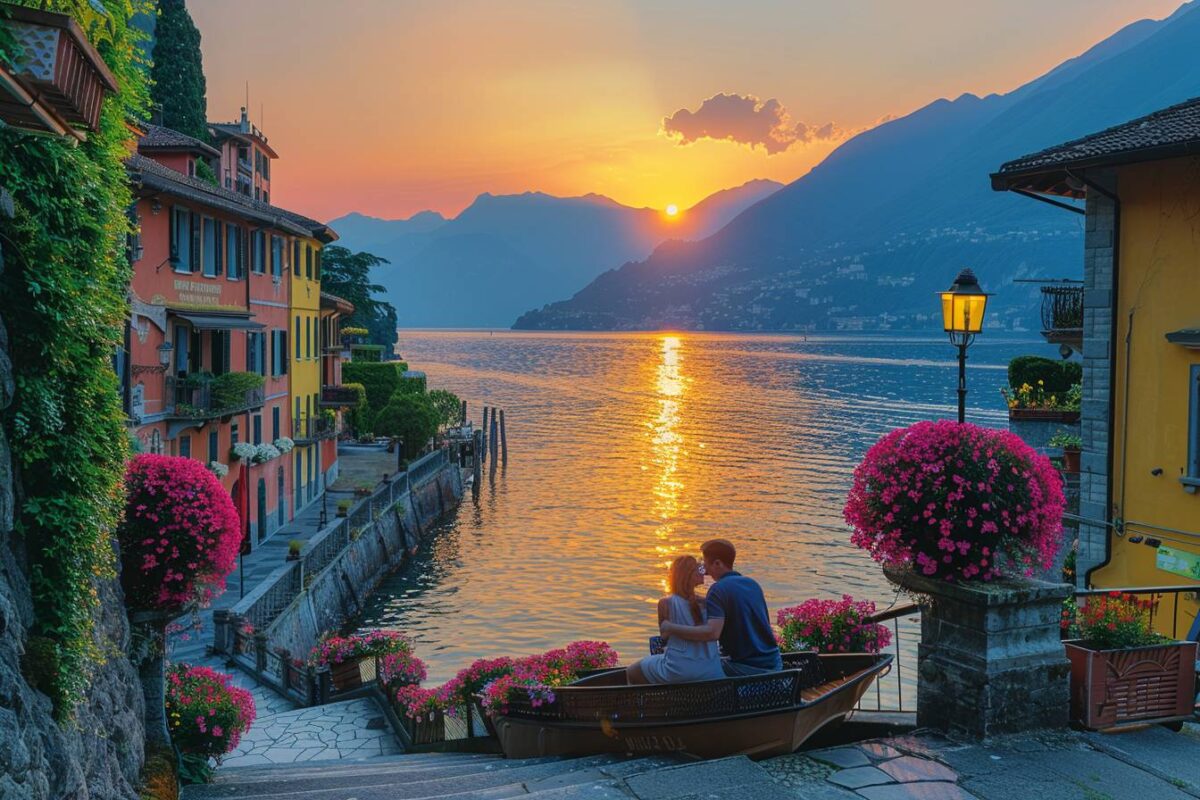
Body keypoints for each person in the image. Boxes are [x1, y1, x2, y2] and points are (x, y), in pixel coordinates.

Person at [659, 538, 783, 676]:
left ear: (717, 563)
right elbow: (734, 606)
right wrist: (701, 600)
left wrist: (670, 628)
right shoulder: (752, 584)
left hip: (746, 669)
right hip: (774, 665)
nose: (704, 571)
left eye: (705, 564)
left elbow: (712, 633)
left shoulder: (717, 589)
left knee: (693, 668)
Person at [627, 555, 724, 684]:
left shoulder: (665, 603)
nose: (703, 571)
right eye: (699, 569)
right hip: (712, 671)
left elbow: (664, 637)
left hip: (678, 671)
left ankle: (649, 703)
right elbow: (714, 581)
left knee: (631, 671)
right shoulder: (710, 602)